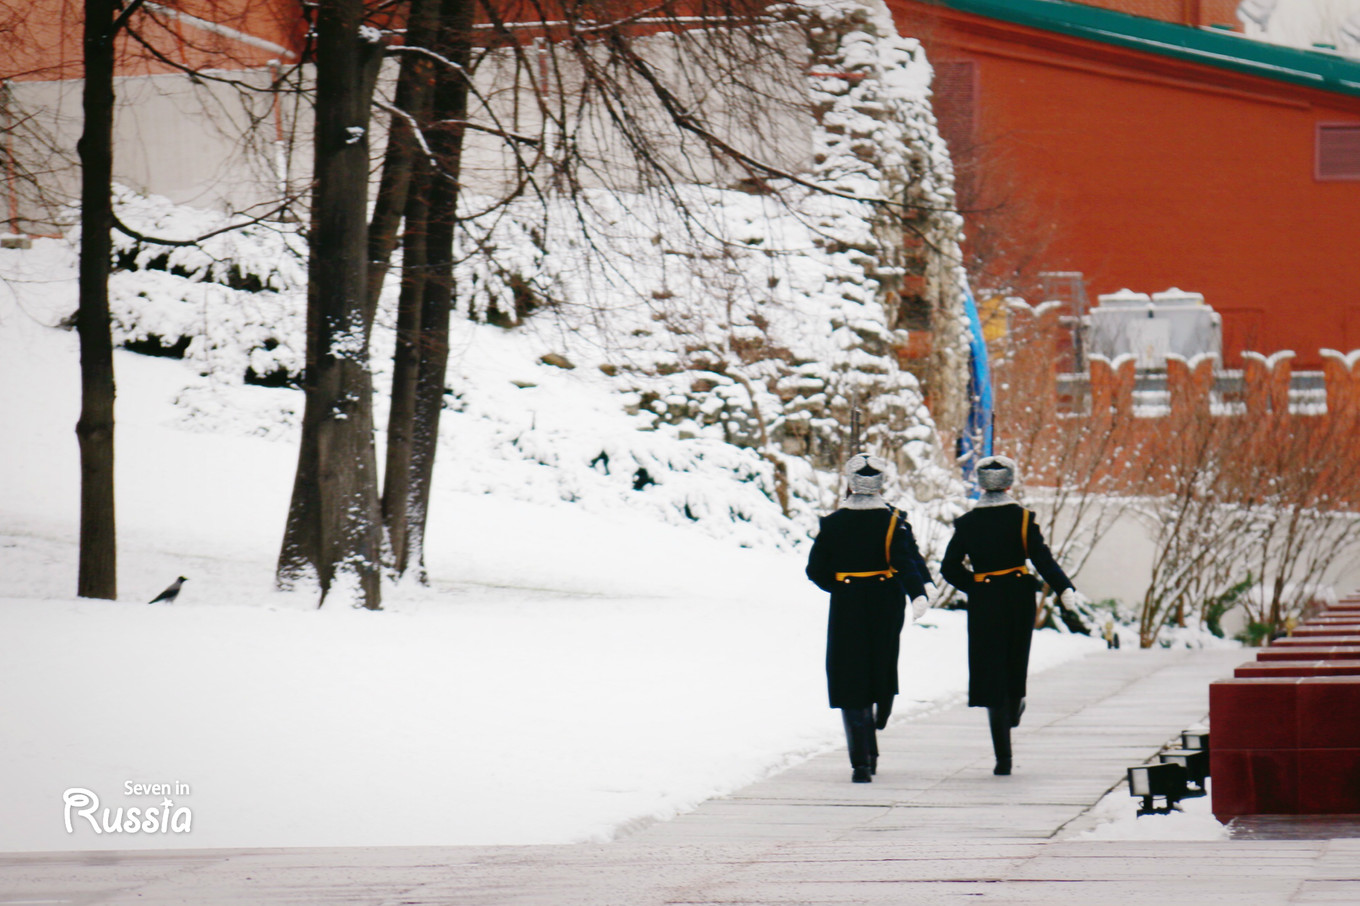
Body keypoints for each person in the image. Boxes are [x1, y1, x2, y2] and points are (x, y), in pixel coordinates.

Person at [940, 455, 1079, 776]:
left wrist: (976, 586)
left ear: (981, 484)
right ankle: (1012, 715)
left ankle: (1003, 754)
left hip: (986, 601)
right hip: (1018, 597)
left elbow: (949, 568)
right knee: (1014, 663)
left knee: (992, 672)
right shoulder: (1022, 519)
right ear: (1009, 483)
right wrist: (1063, 587)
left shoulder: (968, 523)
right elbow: (1042, 559)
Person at [806, 452, 931, 783]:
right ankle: (880, 714)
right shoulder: (892, 521)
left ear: (849, 483)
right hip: (885, 601)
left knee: (849, 675)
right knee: (880, 665)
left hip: (847, 605)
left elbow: (815, 569)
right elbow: (904, 562)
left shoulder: (833, 523)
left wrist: (841, 586)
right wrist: (916, 593)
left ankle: (860, 763)